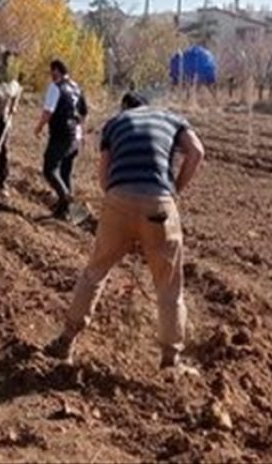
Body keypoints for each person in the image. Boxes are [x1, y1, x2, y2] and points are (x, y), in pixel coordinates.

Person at [44, 92, 205, 372]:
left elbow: (104, 176)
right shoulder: (170, 117)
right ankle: (170, 359)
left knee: (95, 272)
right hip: (160, 204)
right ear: (148, 105)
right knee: (168, 285)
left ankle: (66, 340)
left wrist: (120, 209)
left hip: (118, 199)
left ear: (125, 108)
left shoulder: (115, 123)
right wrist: (174, 190)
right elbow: (197, 152)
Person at [34, 59, 89, 219]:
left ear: (57, 70)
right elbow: (84, 112)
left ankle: (66, 199)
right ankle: (64, 212)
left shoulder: (56, 87)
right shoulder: (76, 87)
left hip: (61, 134)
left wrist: (39, 127)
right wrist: (82, 133)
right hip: (75, 137)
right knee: (65, 173)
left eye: (51, 72)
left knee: (49, 169)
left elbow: (48, 111)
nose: (51, 75)